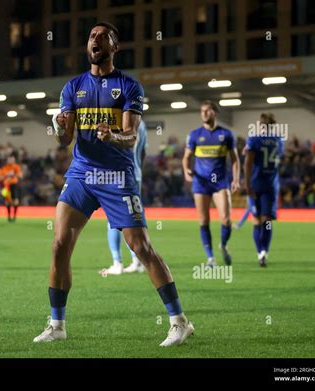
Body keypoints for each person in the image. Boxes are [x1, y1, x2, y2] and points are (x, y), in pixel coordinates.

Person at [33, 22, 194, 347]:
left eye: (102, 37)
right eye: (91, 36)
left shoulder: (129, 87)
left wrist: (114, 135)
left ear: (114, 47)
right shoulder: (72, 87)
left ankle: (180, 322)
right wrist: (58, 128)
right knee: (59, 245)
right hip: (81, 173)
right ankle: (57, 324)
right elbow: (65, 139)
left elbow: (131, 136)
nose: (95, 40)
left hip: (116, 176)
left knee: (141, 247)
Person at [182, 101, 240, 267]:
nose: (204, 113)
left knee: (226, 219)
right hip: (201, 183)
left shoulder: (226, 134)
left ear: (215, 113)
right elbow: (186, 157)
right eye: (202, 111)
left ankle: (223, 244)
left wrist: (236, 179)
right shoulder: (194, 135)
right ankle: (210, 258)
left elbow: (235, 160)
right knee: (203, 220)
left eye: (207, 110)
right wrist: (186, 170)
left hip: (220, 182)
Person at [101, 120, 148, 274]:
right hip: (136, 173)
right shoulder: (141, 124)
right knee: (134, 219)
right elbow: (143, 152)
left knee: (113, 219)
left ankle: (117, 263)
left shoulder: (117, 120)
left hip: (119, 174)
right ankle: (137, 261)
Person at [244, 113, 284, 267]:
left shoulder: (254, 140)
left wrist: (247, 184)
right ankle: (264, 252)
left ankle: (259, 251)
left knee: (256, 220)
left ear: (260, 125)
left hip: (255, 184)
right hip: (271, 185)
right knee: (267, 221)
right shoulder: (279, 141)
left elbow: (248, 163)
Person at [2, 156, 23, 222]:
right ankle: (9, 217)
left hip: (14, 185)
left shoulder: (16, 167)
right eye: (9, 159)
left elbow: (20, 175)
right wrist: (7, 175)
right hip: (7, 186)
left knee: (15, 200)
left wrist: (12, 175)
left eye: (12, 159)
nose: (10, 161)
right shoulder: (5, 167)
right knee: (7, 201)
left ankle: (14, 216)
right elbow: (2, 176)